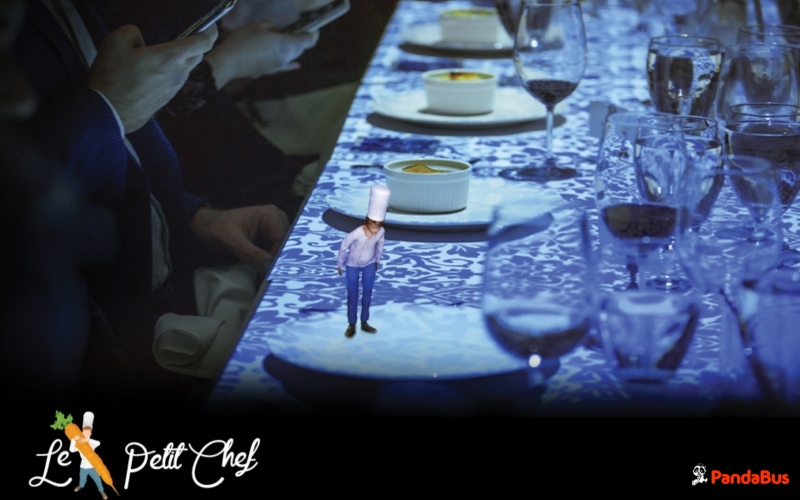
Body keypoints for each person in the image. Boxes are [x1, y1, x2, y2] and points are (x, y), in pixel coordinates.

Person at [12, 0, 290, 405]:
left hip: (174, 289)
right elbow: (21, 202)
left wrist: (198, 220)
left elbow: (126, 157)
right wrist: (107, 109)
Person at [336, 186, 390, 338]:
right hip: (352, 265)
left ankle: (364, 322)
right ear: (368, 221)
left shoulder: (381, 232)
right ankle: (351, 324)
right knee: (352, 293)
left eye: (379, 225)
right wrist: (340, 263)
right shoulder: (357, 233)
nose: (376, 229)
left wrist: (377, 261)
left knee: (367, 292)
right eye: (374, 225)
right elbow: (344, 245)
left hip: (370, 264)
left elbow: (380, 247)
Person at [70, 412, 107, 500]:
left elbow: (99, 443)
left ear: (90, 433)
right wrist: (74, 440)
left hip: (93, 466)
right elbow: (71, 450)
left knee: (98, 479)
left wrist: (87, 440)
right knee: (82, 479)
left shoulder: (91, 442)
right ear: (82, 432)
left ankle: (102, 491)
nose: (86, 433)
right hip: (83, 467)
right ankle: (81, 486)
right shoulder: (79, 444)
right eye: (84, 432)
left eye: (88, 432)